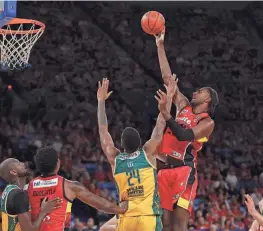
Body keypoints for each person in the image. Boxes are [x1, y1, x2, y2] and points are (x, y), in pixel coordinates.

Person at [154, 28, 219, 231]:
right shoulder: (183, 106)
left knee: (179, 223)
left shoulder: (207, 122)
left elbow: (184, 135)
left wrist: (165, 114)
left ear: (207, 100)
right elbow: (167, 79)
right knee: (164, 223)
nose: (194, 92)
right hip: (165, 168)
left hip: (185, 171)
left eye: (199, 92)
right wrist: (160, 46)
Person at [97, 77, 177, 231]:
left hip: (127, 219)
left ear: (121, 145)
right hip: (148, 219)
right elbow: (161, 124)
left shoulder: (116, 159)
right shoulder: (148, 153)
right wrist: (169, 98)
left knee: (104, 229)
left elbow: (103, 130)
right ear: (140, 143)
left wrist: (101, 101)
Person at [27, 146, 128, 231]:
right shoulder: (69, 186)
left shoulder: (29, 187)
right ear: (58, 164)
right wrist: (121, 209)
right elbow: (102, 205)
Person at [0, 158, 61, 231]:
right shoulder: (18, 195)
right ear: (13, 172)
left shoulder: (8, 191)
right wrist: (43, 211)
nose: (23, 163)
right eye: (19, 163)